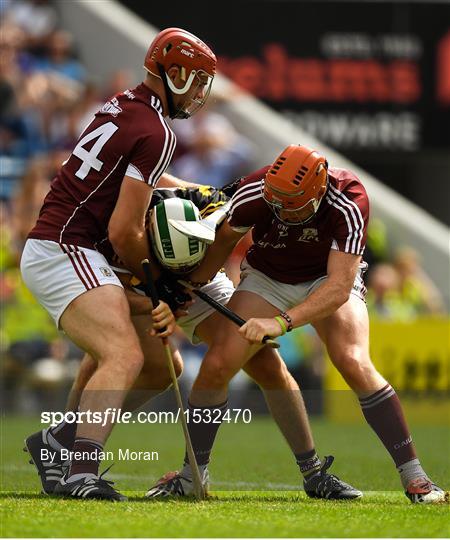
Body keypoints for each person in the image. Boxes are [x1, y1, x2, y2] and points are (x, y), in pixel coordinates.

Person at [25, 183, 362, 501]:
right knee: (145, 365)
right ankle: (64, 442)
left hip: (203, 275)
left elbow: (239, 207)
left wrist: (192, 277)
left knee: (264, 362)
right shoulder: (117, 234)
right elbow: (105, 298)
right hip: (139, 284)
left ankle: (313, 471)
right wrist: (155, 303)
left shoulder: (209, 205)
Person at [158, 144, 445, 505]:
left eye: (290, 206)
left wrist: (281, 323)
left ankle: (416, 478)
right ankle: (192, 477)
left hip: (326, 277)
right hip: (267, 277)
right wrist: (190, 289)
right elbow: (225, 238)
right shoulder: (259, 189)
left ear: (318, 190)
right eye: (275, 203)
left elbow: (339, 287)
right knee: (217, 365)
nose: (280, 212)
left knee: (352, 360)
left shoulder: (350, 199)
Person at [20, 27, 217, 501]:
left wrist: (188, 191)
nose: (200, 93)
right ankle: (79, 470)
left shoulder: (124, 105)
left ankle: (59, 443)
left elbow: (130, 173)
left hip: (67, 246)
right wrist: (158, 286)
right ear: (178, 73)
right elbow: (123, 232)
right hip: (67, 247)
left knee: (157, 364)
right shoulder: (158, 130)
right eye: (198, 81)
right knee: (122, 355)